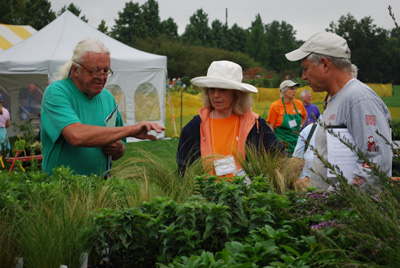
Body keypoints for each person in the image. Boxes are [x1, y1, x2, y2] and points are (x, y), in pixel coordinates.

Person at [41, 38, 164, 177]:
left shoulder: (107, 98)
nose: (101, 77)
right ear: (75, 70)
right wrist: (131, 130)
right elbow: (76, 135)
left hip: (100, 190)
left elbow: (119, 148)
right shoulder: (57, 92)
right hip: (63, 190)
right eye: (95, 70)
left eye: (106, 71)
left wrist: (118, 149)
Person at [285, 31, 392, 190]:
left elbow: (375, 164)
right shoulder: (336, 99)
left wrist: (336, 198)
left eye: (306, 68)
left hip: (348, 212)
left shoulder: (359, 99)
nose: (303, 77)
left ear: (325, 64)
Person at [176, 60, 284, 177]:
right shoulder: (194, 126)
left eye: (223, 90)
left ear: (237, 93)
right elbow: (183, 168)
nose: (216, 95)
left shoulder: (255, 124)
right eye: (212, 89)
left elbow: (279, 156)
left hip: (248, 194)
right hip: (205, 194)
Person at [267, 80, 307, 156]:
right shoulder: (275, 106)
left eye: (295, 89)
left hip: (296, 141)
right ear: (284, 92)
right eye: (291, 89)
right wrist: (274, 143)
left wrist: (300, 126)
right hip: (282, 143)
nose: (294, 91)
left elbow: (304, 116)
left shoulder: (298, 104)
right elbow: (271, 126)